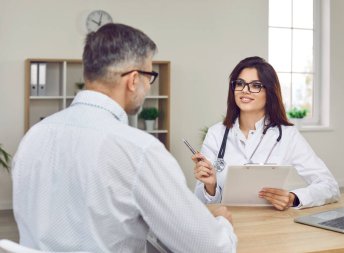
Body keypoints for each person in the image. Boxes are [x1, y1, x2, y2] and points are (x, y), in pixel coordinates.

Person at [12, 23, 237, 253]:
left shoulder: (33, 137)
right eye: (150, 77)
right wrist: (222, 223)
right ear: (133, 80)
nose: (149, 87)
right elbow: (209, 248)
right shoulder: (138, 150)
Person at [192, 56, 340, 210]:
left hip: (270, 225)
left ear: (269, 92)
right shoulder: (216, 134)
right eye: (240, 83)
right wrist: (210, 186)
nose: (245, 90)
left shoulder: (287, 135)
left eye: (255, 85)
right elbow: (200, 201)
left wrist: (293, 198)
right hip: (227, 223)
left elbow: (329, 186)